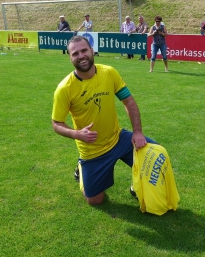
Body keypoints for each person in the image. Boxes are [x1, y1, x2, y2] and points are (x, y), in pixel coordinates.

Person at [51, 35, 155, 205]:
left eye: (84, 50)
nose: (81, 56)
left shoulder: (108, 72)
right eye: (75, 53)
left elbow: (128, 101)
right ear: (70, 58)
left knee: (155, 155)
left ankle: (136, 187)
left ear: (92, 51)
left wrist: (137, 132)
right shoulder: (65, 89)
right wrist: (77, 134)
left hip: (118, 138)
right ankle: (82, 168)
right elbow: (56, 124)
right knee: (95, 200)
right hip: (93, 150)